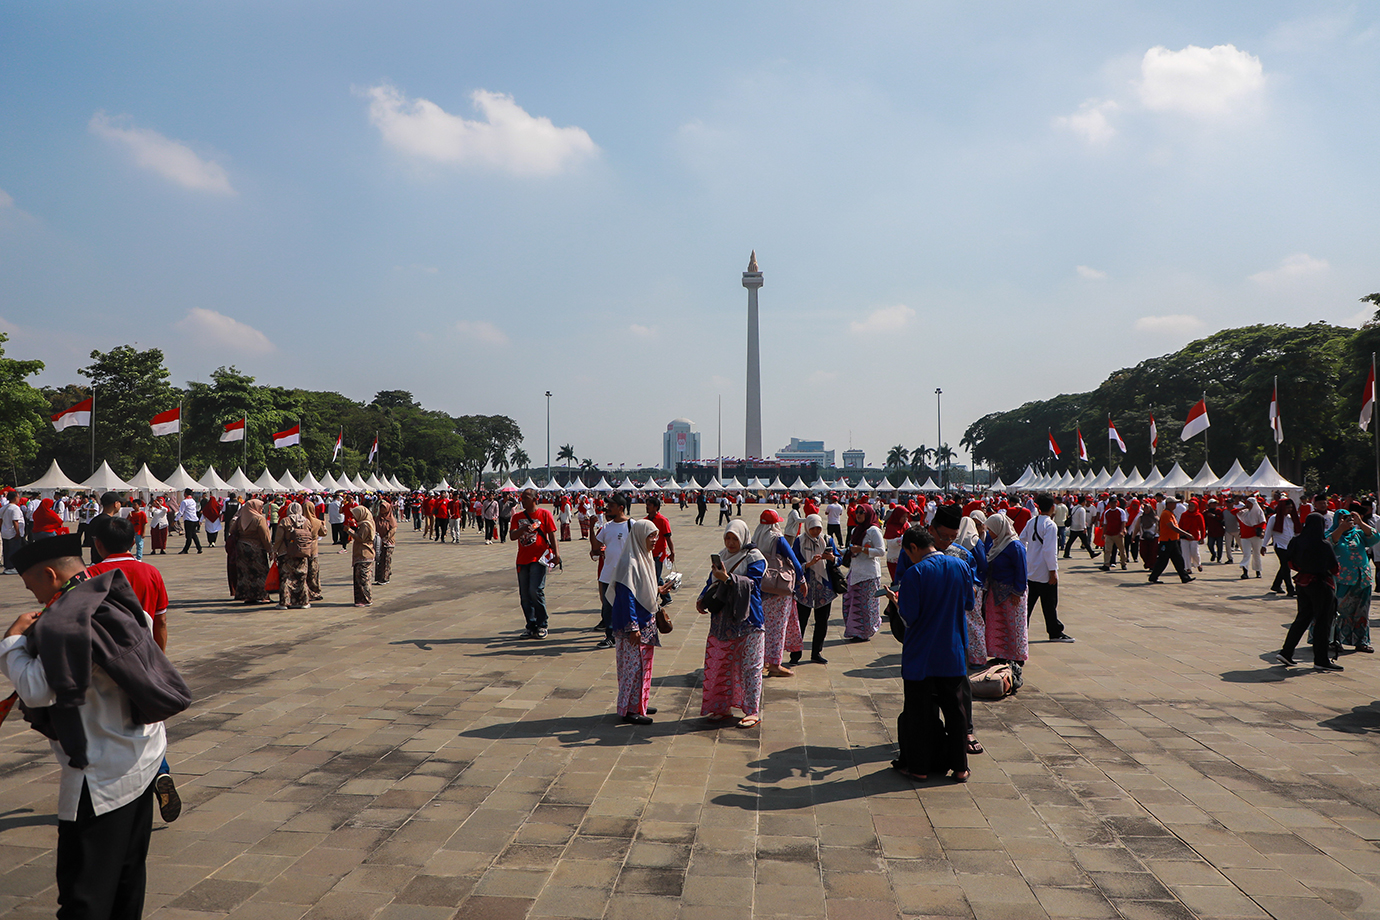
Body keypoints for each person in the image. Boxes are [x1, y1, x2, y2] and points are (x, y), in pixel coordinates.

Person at [0, 534, 191, 920]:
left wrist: (12, 643)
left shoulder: (68, 617)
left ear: (51, 574)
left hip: (102, 776)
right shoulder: (114, 595)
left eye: (31, 585)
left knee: (84, 896)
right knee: (127, 877)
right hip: (144, 754)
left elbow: (37, 690)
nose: (34, 596)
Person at [889, 527, 972, 783]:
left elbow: (910, 617)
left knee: (919, 714)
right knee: (956, 714)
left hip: (922, 655)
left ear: (913, 547)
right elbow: (968, 603)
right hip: (952, 651)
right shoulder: (960, 566)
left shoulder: (916, 573)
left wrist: (896, 602)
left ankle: (919, 768)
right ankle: (960, 767)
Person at [697, 519, 766, 727]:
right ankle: (722, 707)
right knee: (720, 664)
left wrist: (728, 579)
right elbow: (712, 581)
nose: (730, 542)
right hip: (722, 621)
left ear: (743, 537)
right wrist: (702, 597)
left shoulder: (755, 557)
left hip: (748, 620)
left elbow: (753, 585)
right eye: (727, 537)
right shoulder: (723, 555)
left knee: (750, 667)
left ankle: (752, 710)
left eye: (734, 538)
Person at [610, 519, 671, 724]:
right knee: (632, 668)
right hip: (635, 625)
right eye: (650, 536)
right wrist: (633, 627)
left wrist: (659, 590)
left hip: (647, 622)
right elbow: (626, 597)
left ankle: (639, 703)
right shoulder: (630, 562)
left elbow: (642, 590)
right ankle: (629, 709)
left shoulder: (645, 558)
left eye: (656, 535)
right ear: (638, 537)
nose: (654, 540)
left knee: (644, 666)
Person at [1278, 513, 1343, 671]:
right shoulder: (1323, 544)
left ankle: (1286, 652)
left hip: (1303, 582)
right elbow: (1335, 569)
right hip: (1321, 584)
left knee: (1302, 618)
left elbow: (1290, 562)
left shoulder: (1296, 541)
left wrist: (1303, 568)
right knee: (1322, 621)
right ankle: (1321, 659)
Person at [754, 509, 805, 677]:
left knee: (763, 628)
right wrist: (802, 581)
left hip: (761, 589)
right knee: (777, 629)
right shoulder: (777, 538)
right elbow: (795, 562)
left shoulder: (755, 539)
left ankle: (762, 662)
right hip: (778, 589)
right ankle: (775, 664)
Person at [1329, 507, 1380, 655]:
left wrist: (1360, 522)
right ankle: (1335, 640)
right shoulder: (1332, 534)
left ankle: (1361, 641)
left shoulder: (1358, 534)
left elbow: (1375, 537)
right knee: (1339, 611)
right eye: (1343, 518)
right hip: (1342, 580)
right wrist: (1341, 528)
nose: (1348, 520)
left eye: (1349, 517)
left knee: (1362, 611)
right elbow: (1330, 542)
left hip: (1362, 578)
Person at [982, 512, 1028, 678]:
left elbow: (1021, 570)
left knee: (1013, 624)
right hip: (996, 591)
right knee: (997, 623)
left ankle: (1016, 656)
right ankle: (1000, 654)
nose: (989, 532)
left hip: (1011, 593)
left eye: (991, 529)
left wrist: (1018, 591)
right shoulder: (996, 545)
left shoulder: (1015, 546)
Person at [1021, 495, 1072, 642]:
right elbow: (1049, 550)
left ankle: (1022, 631)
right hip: (1044, 571)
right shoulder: (1050, 525)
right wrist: (1053, 571)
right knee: (1049, 604)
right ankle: (1054, 631)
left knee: (1028, 606)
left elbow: (1021, 539)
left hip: (1031, 570)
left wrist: (1028, 556)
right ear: (1052, 507)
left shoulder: (1031, 522)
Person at [511, 488, 560, 639]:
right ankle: (530, 625)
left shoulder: (545, 514)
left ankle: (542, 624)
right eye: (522, 497)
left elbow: (552, 534)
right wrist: (522, 529)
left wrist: (557, 554)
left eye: (526, 497)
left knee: (535, 590)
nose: (523, 500)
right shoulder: (517, 517)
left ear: (534, 499)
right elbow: (512, 536)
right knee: (524, 595)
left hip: (539, 559)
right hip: (522, 559)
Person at [790, 514, 838, 665]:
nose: (816, 531)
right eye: (813, 528)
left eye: (818, 528)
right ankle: (795, 654)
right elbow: (793, 562)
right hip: (805, 586)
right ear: (807, 527)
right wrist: (809, 564)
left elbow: (838, 558)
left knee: (822, 621)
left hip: (824, 587)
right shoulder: (800, 541)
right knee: (801, 621)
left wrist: (832, 558)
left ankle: (816, 652)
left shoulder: (828, 539)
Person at [590, 493, 632, 650]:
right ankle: (610, 636)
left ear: (621, 508)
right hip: (607, 574)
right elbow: (595, 548)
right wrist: (591, 528)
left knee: (626, 606)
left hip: (626, 574)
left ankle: (627, 633)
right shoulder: (606, 527)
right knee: (607, 607)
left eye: (611, 506)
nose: (607, 509)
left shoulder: (632, 525)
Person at [841, 502, 886, 641]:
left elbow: (881, 551)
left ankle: (865, 633)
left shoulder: (873, 530)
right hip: (855, 572)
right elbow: (851, 549)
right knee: (851, 603)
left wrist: (862, 549)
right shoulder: (856, 530)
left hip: (868, 574)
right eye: (857, 512)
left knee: (866, 606)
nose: (858, 515)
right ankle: (854, 632)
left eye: (862, 512)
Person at [229, 500, 272, 604]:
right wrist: (270, 549)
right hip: (255, 549)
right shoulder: (259, 519)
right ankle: (262, 595)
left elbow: (231, 530)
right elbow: (265, 536)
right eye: (261, 507)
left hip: (241, 548)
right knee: (260, 572)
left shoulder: (241, 519)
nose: (262, 509)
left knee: (245, 573)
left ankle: (248, 596)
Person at [271, 502, 313, 609]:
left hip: (286, 552)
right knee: (301, 577)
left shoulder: (285, 521)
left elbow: (279, 538)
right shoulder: (306, 521)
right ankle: (303, 602)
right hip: (302, 552)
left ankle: (285, 602)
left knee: (286, 577)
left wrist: (274, 550)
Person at [1147, 497, 1195, 585]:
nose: (1176, 505)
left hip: (1172, 540)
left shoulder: (1170, 513)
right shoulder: (1166, 514)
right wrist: (1186, 534)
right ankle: (1153, 577)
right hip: (1167, 541)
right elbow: (1172, 526)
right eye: (1174, 503)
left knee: (1178, 560)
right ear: (1169, 504)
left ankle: (1184, 577)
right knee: (1162, 560)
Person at [1267, 498, 1299, 596]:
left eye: (1290, 507)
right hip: (1280, 546)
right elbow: (1268, 532)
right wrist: (1263, 545)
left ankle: (1276, 585)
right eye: (1287, 508)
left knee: (1285, 566)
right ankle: (1290, 589)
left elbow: (1296, 532)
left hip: (1290, 546)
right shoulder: (1274, 518)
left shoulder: (1292, 518)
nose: (1289, 510)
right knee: (1286, 566)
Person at [645, 496, 676, 580]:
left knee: (655, 578)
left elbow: (668, 538)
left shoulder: (662, 520)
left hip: (658, 554)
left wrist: (672, 552)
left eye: (649, 505)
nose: (647, 507)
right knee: (653, 578)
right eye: (646, 505)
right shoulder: (645, 521)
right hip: (647, 553)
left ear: (656, 507)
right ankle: (664, 592)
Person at [350, 505, 375, 607]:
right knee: (360, 577)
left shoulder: (366, 525)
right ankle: (361, 599)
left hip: (364, 554)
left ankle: (365, 599)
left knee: (363, 578)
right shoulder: (364, 523)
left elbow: (361, 538)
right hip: (362, 554)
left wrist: (349, 531)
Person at [1237, 496, 1266, 579]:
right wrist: (1243, 507)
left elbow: (1263, 523)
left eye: (1250, 503)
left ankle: (1258, 571)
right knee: (1246, 554)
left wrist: (1263, 532)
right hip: (1245, 536)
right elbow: (1233, 512)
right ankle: (1245, 572)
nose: (1248, 505)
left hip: (1255, 536)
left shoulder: (1259, 512)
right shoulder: (1244, 512)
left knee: (1256, 554)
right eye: (1247, 503)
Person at [2, 489, 27, 574]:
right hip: (13, 532)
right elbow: (15, 521)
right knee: (14, 549)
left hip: (5, 532)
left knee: (7, 550)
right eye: (18, 497)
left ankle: (7, 566)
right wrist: (18, 532)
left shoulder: (4, 507)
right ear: (14, 498)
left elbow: (1, 520)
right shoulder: (15, 508)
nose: (19, 499)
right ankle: (12, 567)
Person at [1099, 498, 1128, 572]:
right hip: (1109, 534)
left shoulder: (1121, 511)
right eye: (1112, 503)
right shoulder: (1107, 512)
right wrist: (1103, 534)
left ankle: (1123, 563)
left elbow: (1123, 522)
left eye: (1115, 503)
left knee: (1121, 550)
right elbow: (1105, 524)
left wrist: (1122, 531)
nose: (1113, 504)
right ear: (1109, 504)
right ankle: (1106, 564)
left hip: (1118, 534)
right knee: (1107, 550)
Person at [374, 498, 397, 585]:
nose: (382, 509)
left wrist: (386, 538)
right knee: (379, 560)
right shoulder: (378, 518)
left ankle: (385, 578)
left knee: (386, 560)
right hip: (379, 542)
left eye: (384, 507)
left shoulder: (390, 518)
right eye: (381, 507)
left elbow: (393, 529)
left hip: (388, 542)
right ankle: (379, 577)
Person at [175, 489, 202, 555]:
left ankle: (185, 549)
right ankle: (199, 548)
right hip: (195, 519)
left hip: (188, 520)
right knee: (193, 535)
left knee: (189, 536)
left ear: (185, 494)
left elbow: (181, 512)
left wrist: (175, 520)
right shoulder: (193, 501)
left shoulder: (184, 502)